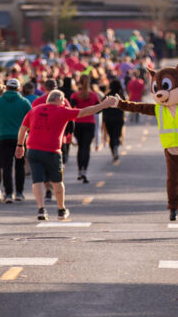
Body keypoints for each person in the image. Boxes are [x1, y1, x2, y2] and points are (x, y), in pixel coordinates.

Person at [16, 90, 116, 221]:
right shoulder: (62, 111)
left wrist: (20, 145)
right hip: (52, 151)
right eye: (63, 101)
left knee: (37, 181)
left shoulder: (34, 110)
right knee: (57, 182)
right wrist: (103, 104)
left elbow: (23, 128)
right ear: (58, 99)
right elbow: (85, 111)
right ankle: (61, 210)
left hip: (33, 150)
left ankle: (41, 209)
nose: (64, 103)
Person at [0, 78, 31, 203]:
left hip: (4, 136)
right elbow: (31, 119)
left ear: (6, 88)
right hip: (20, 138)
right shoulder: (24, 102)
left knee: (6, 166)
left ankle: (8, 194)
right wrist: (27, 132)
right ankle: (19, 192)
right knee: (19, 165)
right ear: (18, 89)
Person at [70, 74, 100, 183]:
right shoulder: (94, 95)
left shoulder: (75, 95)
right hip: (89, 123)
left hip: (78, 123)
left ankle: (79, 170)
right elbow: (99, 109)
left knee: (80, 147)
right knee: (86, 148)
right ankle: (85, 171)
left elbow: (71, 108)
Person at [102, 79, 126, 163]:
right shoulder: (120, 96)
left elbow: (102, 107)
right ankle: (116, 145)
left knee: (111, 136)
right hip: (118, 118)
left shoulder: (107, 96)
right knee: (117, 135)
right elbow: (126, 106)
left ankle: (113, 151)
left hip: (108, 119)